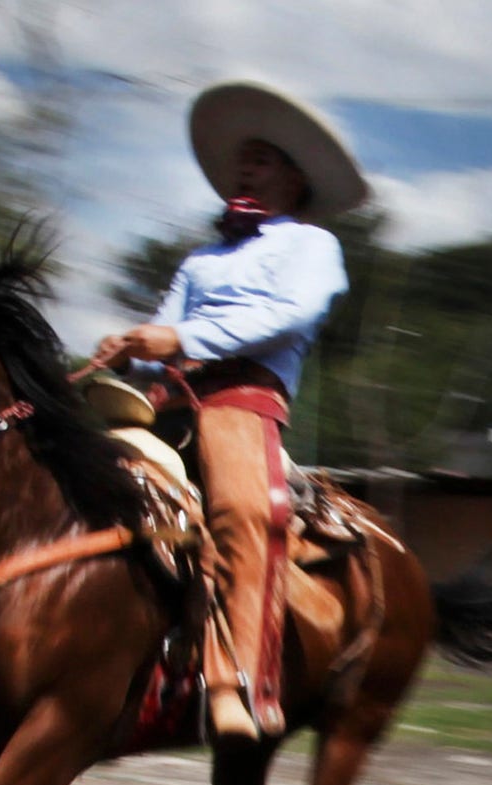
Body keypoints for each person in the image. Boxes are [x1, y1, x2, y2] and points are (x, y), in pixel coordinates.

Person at [91, 80, 369, 741]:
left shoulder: (312, 246)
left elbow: (288, 316)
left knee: (244, 513)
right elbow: (161, 331)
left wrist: (180, 339)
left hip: (243, 399)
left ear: (295, 179)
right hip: (169, 399)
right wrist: (129, 352)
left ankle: (237, 683)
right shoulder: (201, 260)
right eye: (242, 160)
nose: (244, 169)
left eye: (260, 159)